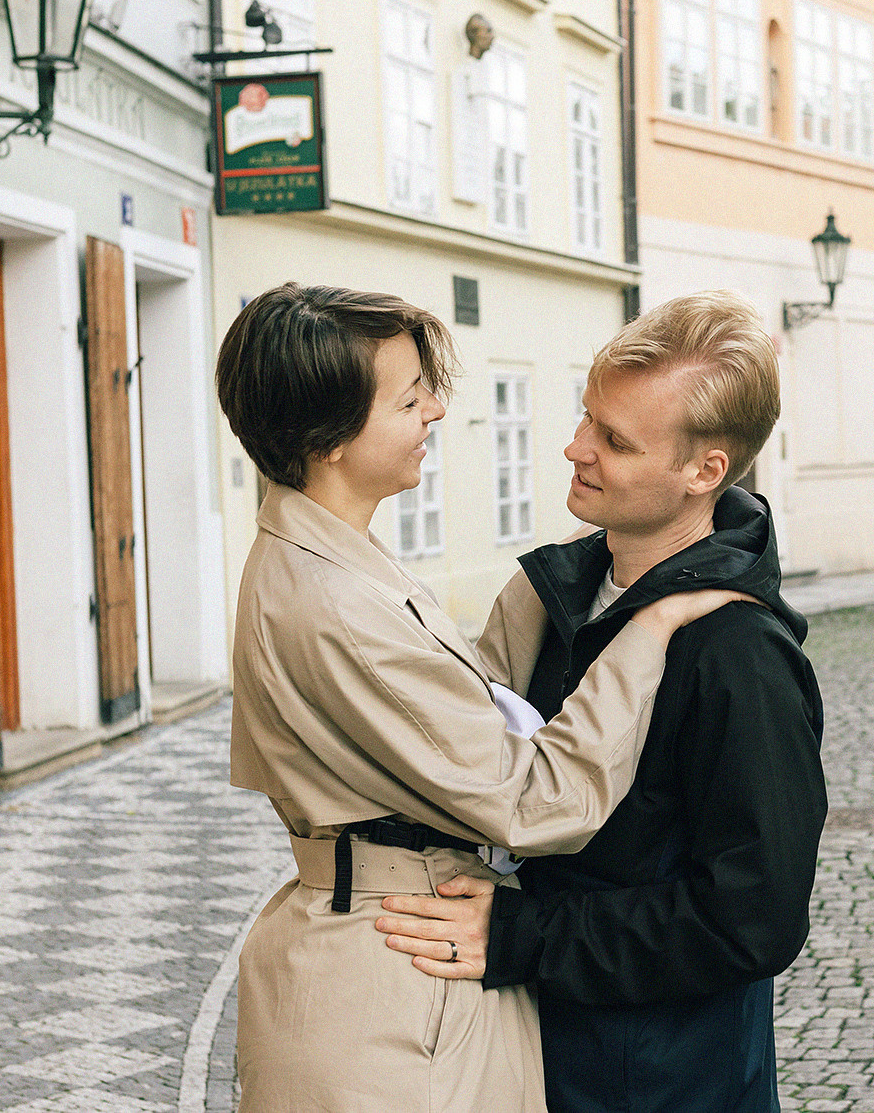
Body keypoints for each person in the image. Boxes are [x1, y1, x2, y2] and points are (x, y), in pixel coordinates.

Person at [216, 283, 747, 1113]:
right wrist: (655, 623)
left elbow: (462, 699)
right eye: (407, 397)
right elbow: (534, 804)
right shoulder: (336, 602)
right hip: (401, 983)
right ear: (330, 437)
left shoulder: (325, 555)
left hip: (382, 950)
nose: (432, 410)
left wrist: (588, 563)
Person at [372, 291, 828, 1113]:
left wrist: (522, 937)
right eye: (588, 418)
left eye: (614, 440)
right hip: (529, 1052)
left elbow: (752, 919)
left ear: (704, 472)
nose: (575, 448)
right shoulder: (554, 594)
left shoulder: (738, 655)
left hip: (663, 1080)